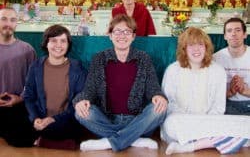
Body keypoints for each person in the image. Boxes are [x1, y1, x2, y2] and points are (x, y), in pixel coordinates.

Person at [73, 14, 167, 152]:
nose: (122, 35)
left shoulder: (143, 58)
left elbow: (153, 87)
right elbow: (90, 89)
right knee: (80, 112)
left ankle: (109, 142)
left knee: (160, 109)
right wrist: (82, 100)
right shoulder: (100, 58)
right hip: (107, 119)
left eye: (127, 31)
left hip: (137, 120)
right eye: (117, 31)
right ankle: (133, 139)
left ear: (133, 36)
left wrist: (158, 96)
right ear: (110, 35)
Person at [161, 27, 250, 155]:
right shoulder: (173, 70)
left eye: (200, 45)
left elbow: (218, 108)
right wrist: (194, 122)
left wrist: (204, 122)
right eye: (191, 45)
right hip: (181, 122)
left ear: (206, 48)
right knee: (172, 124)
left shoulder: (217, 71)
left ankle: (190, 146)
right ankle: (222, 139)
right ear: (184, 49)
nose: (196, 49)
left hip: (210, 121)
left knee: (247, 124)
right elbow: (170, 104)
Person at [24, 24, 88, 149]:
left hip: (64, 119)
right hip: (40, 117)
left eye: (63, 41)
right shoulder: (36, 66)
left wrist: (53, 119)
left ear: (68, 45)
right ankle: (63, 143)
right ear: (46, 43)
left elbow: (79, 101)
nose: (58, 45)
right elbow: (29, 96)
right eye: (53, 40)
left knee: (73, 128)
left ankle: (41, 141)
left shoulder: (77, 68)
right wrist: (35, 118)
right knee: (12, 125)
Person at [0, 7, 36, 147]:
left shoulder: (27, 50)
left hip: (18, 104)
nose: (8, 23)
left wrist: (20, 98)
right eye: (3, 19)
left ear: (17, 24)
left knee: (22, 139)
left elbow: (33, 82)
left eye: (12, 20)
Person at [214, 17, 250, 115]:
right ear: (225, 36)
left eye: (238, 30)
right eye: (229, 31)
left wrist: (245, 91)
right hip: (225, 105)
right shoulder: (215, 59)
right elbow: (209, 94)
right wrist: (229, 92)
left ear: (245, 34)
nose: (233, 34)